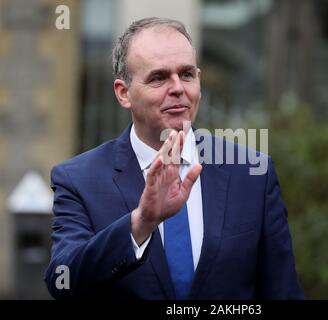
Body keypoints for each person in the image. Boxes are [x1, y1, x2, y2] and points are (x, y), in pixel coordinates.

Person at [44, 17, 303, 300]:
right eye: (159, 77)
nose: (178, 87)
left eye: (187, 74)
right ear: (123, 93)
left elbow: (282, 290)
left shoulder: (252, 172)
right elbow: (62, 282)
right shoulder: (79, 179)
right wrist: (141, 223)